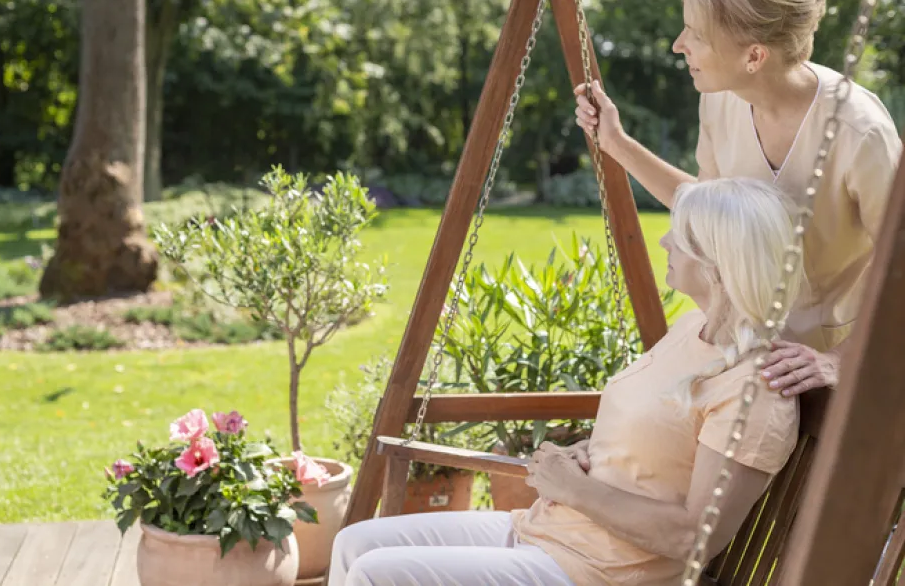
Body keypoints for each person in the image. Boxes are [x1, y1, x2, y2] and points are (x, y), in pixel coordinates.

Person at [330, 177, 803, 586]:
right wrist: (585, 458)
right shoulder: (690, 330)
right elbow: (652, 448)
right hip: (549, 530)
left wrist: (574, 489)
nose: (664, 243)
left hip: (598, 572)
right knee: (355, 543)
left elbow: (692, 535)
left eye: (679, 235)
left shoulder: (755, 392)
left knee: (378, 574)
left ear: (717, 261)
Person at [574, 0, 902, 398]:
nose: (678, 45)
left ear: (754, 56)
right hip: (746, 351)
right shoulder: (720, 100)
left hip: (834, 364)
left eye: (696, 34)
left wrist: (838, 361)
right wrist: (616, 144)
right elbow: (712, 211)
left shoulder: (859, 132)